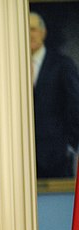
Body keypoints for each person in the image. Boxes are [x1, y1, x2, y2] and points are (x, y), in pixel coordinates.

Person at [30, 11, 79, 179]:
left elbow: (75, 104)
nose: (30, 34)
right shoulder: (13, 66)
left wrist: (70, 145)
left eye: (33, 29)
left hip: (56, 157)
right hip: (24, 159)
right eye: (25, 29)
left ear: (43, 32)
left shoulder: (62, 64)